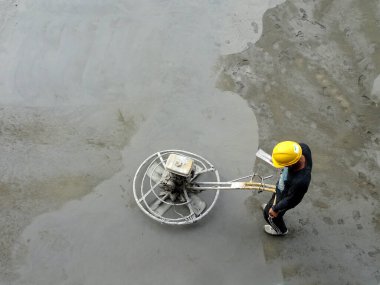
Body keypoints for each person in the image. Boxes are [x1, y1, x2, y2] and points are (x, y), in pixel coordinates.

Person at [262, 141, 312, 236]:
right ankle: (271, 206)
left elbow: (291, 200)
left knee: (269, 215)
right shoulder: (302, 148)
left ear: (291, 164)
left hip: (287, 196)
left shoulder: (301, 181)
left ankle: (280, 230)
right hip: (282, 187)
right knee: (274, 198)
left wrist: (276, 208)